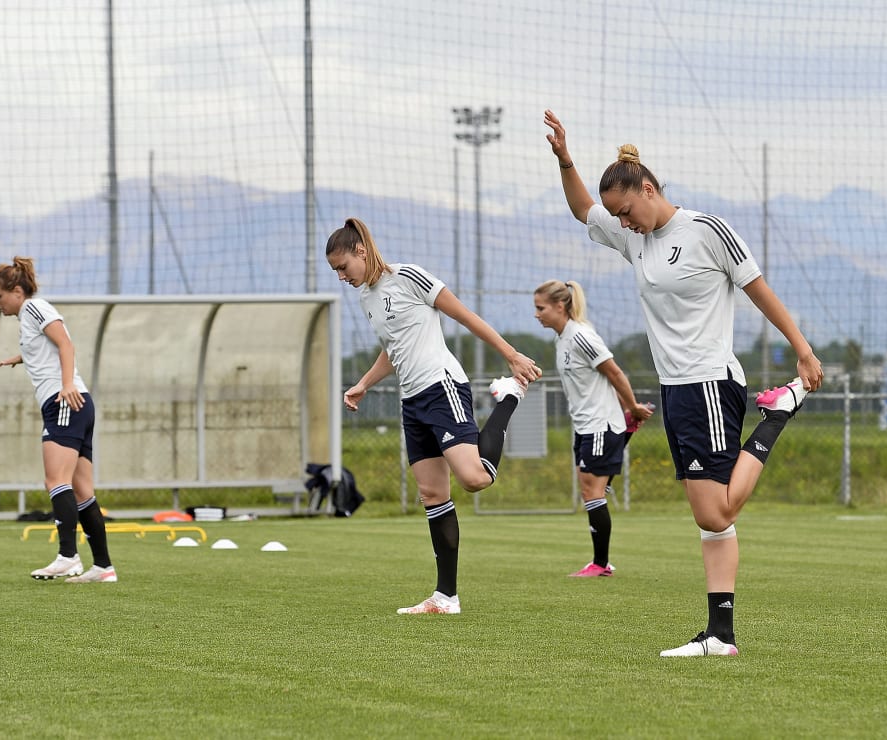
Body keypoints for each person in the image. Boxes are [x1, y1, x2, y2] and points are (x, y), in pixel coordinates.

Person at [544, 110, 823, 657]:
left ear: (648, 189)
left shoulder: (705, 231)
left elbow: (758, 289)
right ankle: (720, 635)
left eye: (627, 211)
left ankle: (779, 414)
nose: (623, 223)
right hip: (677, 391)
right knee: (710, 522)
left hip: (711, 384)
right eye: (619, 218)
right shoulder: (635, 240)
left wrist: (802, 348)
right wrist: (565, 160)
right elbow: (583, 209)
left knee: (716, 511)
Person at [326, 217, 542, 614]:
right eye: (335, 271)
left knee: (475, 478)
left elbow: (463, 315)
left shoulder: (409, 277)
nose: (341, 276)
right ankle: (446, 597)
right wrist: (364, 383)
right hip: (412, 402)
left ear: (361, 251)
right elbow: (393, 349)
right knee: (432, 495)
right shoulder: (367, 299)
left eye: (343, 267)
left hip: (441, 387)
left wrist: (510, 355)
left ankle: (508, 398)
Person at [0, 257, 117, 583]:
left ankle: (67, 557)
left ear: (17, 291)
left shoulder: (34, 307)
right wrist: (21, 358)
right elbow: (45, 347)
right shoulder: (28, 315)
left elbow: (64, 343)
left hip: (65, 402)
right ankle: (103, 567)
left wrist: (67, 384)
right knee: (81, 489)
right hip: (77, 404)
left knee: (55, 480)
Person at [533, 279, 654, 577]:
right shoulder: (560, 339)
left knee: (592, 492)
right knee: (591, 491)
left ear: (560, 306)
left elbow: (613, 371)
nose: (536, 314)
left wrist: (633, 407)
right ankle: (600, 562)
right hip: (585, 426)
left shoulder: (581, 336)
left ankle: (600, 564)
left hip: (600, 426)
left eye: (540, 308)